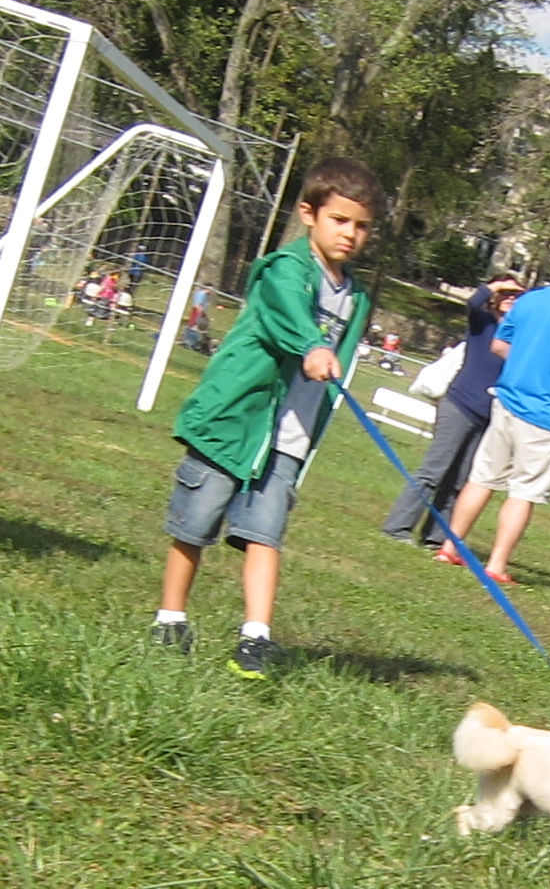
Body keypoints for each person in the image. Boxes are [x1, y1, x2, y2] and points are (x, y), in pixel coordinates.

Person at [149, 157, 379, 677]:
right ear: (309, 214)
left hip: (288, 437)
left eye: (362, 226)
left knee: (265, 533)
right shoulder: (286, 268)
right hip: (234, 421)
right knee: (195, 525)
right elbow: (285, 312)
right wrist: (312, 345)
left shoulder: (357, 295)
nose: (349, 233)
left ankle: (256, 637)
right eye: (339, 220)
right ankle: (170, 619)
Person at [445, 246, 550, 587]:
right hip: (546, 416)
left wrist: (528, 362)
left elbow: (499, 345)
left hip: (507, 401)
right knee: (523, 491)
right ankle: (496, 564)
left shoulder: (530, 300)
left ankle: (449, 547)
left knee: (482, 478)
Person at [382, 270, 522, 546]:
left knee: (461, 480)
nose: (511, 298)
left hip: (488, 417)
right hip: (460, 406)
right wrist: (496, 285)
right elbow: (473, 302)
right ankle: (398, 527)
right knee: (433, 471)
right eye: (505, 294)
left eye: (516, 295)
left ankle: (436, 537)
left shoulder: (520, 335)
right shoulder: (482, 322)